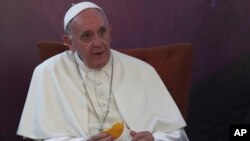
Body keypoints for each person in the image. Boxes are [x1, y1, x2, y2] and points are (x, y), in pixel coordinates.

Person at [17, 1, 189, 141]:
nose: (98, 43)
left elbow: (176, 135)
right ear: (69, 43)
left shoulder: (142, 71)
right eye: (87, 36)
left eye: (102, 32)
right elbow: (36, 139)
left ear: (110, 32)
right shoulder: (48, 73)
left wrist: (154, 139)